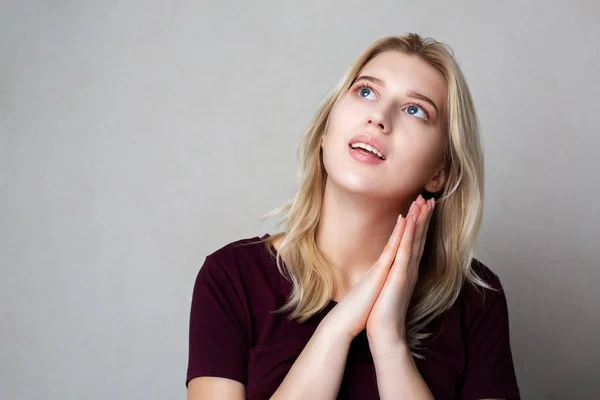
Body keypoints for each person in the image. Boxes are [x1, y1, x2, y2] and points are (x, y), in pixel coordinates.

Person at [186, 33, 520, 400]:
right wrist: (338, 329)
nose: (379, 116)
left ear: (438, 172)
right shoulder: (231, 277)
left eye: (415, 110)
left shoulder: (476, 301)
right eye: (365, 92)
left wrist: (389, 341)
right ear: (326, 132)